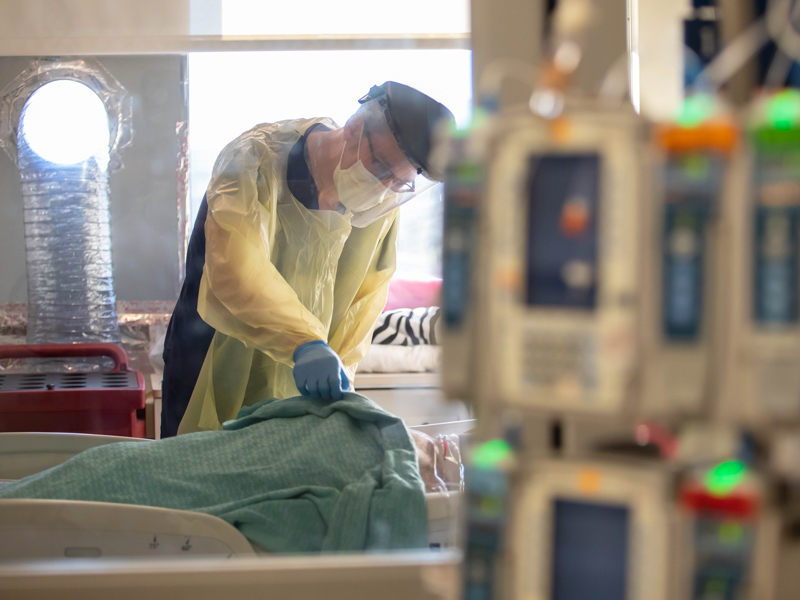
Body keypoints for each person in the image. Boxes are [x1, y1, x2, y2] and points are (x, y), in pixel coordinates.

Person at [161, 82, 454, 437]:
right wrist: (305, 342)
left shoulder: (377, 203)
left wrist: (340, 368)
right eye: (379, 169)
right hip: (215, 357)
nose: (382, 187)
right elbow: (236, 271)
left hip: (304, 371)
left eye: (397, 182)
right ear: (355, 128)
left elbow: (364, 297)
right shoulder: (255, 159)